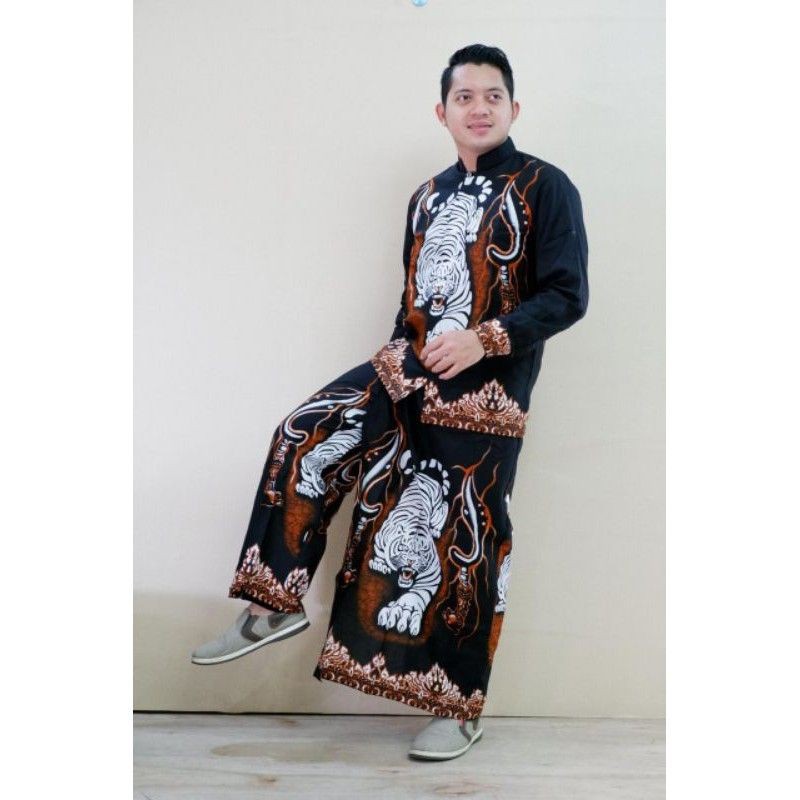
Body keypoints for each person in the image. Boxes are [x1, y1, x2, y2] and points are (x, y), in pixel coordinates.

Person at [191, 43, 589, 762]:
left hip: (487, 394)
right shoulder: (426, 196)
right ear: (442, 111)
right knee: (305, 433)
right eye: (464, 97)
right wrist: (394, 363)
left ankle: (457, 709)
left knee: (464, 544)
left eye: (492, 96)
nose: (479, 108)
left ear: (514, 108)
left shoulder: (545, 186)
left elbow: (567, 295)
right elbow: (413, 300)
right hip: (407, 367)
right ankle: (271, 604)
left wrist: (484, 340)